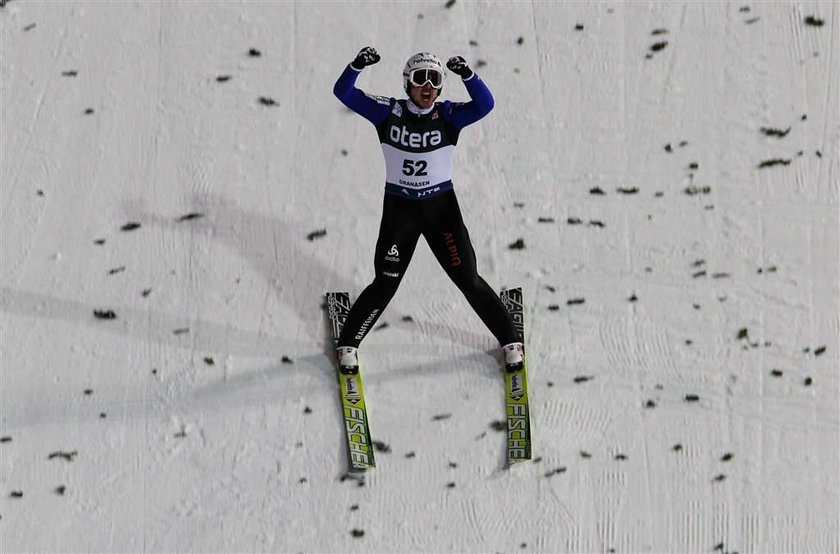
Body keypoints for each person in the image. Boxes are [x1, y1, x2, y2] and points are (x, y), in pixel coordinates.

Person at [332, 46, 524, 374]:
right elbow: (344, 92)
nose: (428, 87)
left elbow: (485, 104)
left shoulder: (448, 115)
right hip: (401, 210)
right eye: (420, 79)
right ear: (407, 83)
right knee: (386, 280)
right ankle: (349, 344)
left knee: (467, 278)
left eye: (434, 80)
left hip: (440, 210)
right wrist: (356, 65)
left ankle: (510, 342)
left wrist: (468, 74)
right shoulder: (387, 112)